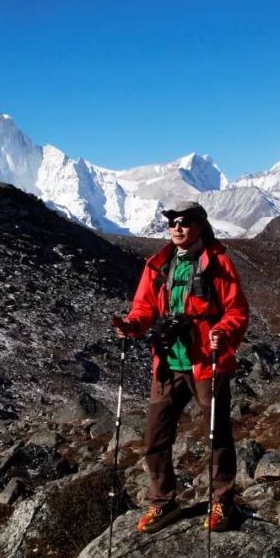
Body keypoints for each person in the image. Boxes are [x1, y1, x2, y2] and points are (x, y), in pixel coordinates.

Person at [113, 201, 250, 533]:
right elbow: (144, 307)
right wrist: (132, 325)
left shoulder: (218, 264)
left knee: (216, 435)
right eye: (172, 222)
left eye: (185, 222)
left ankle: (222, 502)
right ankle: (162, 501)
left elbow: (237, 312)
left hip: (207, 362)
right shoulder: (158, 265)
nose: (177, 227)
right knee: (155, 437)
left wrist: (223, 332)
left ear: (200, 225)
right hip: (168, 360)